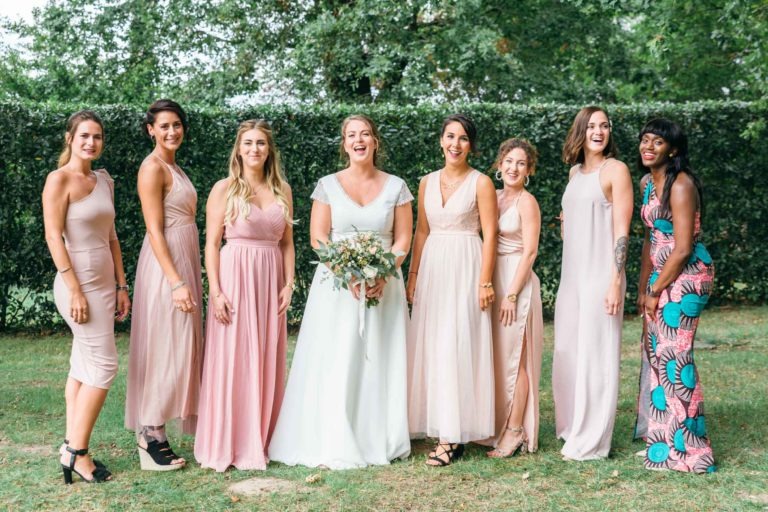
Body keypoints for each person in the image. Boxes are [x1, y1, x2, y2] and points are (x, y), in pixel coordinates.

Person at [268, 114, 412, 469]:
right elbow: (318, 237)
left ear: (375, 142)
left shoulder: (397, 186)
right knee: (336, 355)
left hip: (383, 285)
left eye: (365, 134)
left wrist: (384, 272)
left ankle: (379, 436)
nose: (359, 140)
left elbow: (404, 238)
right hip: (337, 287)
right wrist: (346, 273)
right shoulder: (327, 185)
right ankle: (332, 432)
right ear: (344, 143)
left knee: (379, 354)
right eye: (352, 135)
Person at [194, 120, 295, 472]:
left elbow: (287, 243)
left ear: (270, 150)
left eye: (261, 144)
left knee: (266, 355)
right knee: (234, 357)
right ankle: (229, 441)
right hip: (235, 276)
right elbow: (210, 244)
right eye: (248, 143)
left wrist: (289, 283)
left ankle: (262, 439)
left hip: (270, 280)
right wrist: (216, 291)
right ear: (239, 149)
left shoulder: (282, 188)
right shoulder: (224, 188)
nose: (255, 149)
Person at [42, 110, 131, 483]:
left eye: (97, 136)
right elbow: (52, 235)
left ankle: (70, 445)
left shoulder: (103, 180)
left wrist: (123, 285)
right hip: (77, 288)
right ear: (70, 138)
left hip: (105, 286)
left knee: (83, 366)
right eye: (84, 136)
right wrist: (76, 290)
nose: (91, 142)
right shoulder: (58, 180)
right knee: (105, 367)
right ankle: (78, 453)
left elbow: (111, 237)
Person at [406, 114, 498, 466]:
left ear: (470, 145)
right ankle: (443, 425)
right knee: (434, 343)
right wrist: (413, 276)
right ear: (440, 140)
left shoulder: (481, 183)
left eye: (462, 138)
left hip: (466, 265)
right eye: (449, 137)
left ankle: (452, 437)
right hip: (433, 267)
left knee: (457, 342)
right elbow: (421, 232)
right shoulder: (426, 182)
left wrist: (485, 281)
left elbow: (490, 233)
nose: (455, 144)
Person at [634, 118, 716, 473]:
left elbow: (682, 248)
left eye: (658, 142)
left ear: (674, 150)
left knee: (677, 360)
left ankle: (694, 455)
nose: (648, 146)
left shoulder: (680, 185)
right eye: (645, 140)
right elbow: (651, 240)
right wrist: (643, 288)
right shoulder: (646, 184)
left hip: (687, 276)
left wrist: (655, 290)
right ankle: (665, 445)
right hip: (660, 275)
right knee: (659, 358)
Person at [125, 99, 203, 471]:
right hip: (165, 265)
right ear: (150, 130)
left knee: (180, 346)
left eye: (177, 125)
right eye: (164, 126)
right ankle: (149, 434)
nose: (172, 131)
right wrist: (175, 281)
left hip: (184, 259)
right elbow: (154, 230)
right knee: (163, 347)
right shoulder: (152, 168)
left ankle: (159, 433)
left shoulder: (176, 167)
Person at [552, 106, 633, 461]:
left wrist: (615, 281)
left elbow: (621, 231)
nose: (599, 131)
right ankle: (572, 427)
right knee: (568, 351)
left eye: (604, 126)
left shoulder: (616, 170)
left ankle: (593, 439)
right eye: (592, 126)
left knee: (596, 355)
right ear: (581, 131)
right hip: (572, 275)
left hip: (602, 274)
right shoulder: (574, 172)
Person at [480, 138, 544, 458]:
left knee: (515, 359)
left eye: (520, 163)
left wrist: (512, 294)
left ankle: (516, 430)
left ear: (528, 169)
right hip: (494, 278)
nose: (513, 168)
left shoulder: (527, 202)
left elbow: (530, 251)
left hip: (516, 282)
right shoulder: (494, 197)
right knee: (497, 356)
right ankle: (496, 425)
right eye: (508, 161)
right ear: (499, 165)